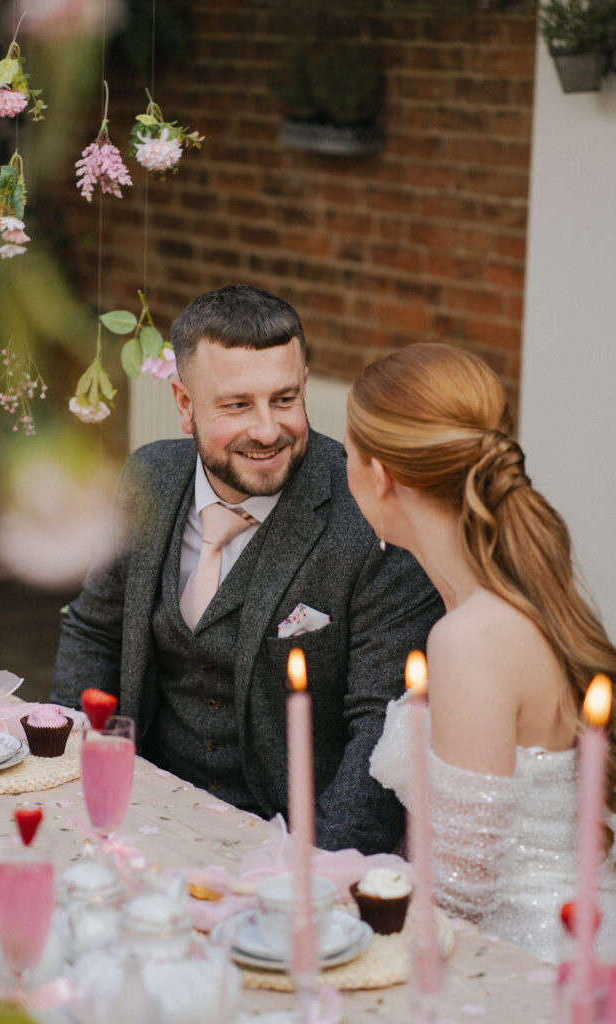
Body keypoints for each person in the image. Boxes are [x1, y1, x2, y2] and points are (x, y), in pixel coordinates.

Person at [52, 285, 443, 854]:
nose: (266, 431)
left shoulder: (374, 521)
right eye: (237, 406)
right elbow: (95, 630)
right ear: (184, 404)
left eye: (284, 399)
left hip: (292, 848)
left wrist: (314, 878)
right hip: (141, 815)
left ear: (305, 384)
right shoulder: (149, 479)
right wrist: (76, 779)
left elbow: (383, 730)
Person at [345, 341, 616, 962]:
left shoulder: (471, 638)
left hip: (516, 963)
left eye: (350, 454)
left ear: (381, 475)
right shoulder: (513, 592)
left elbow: (461, 890)